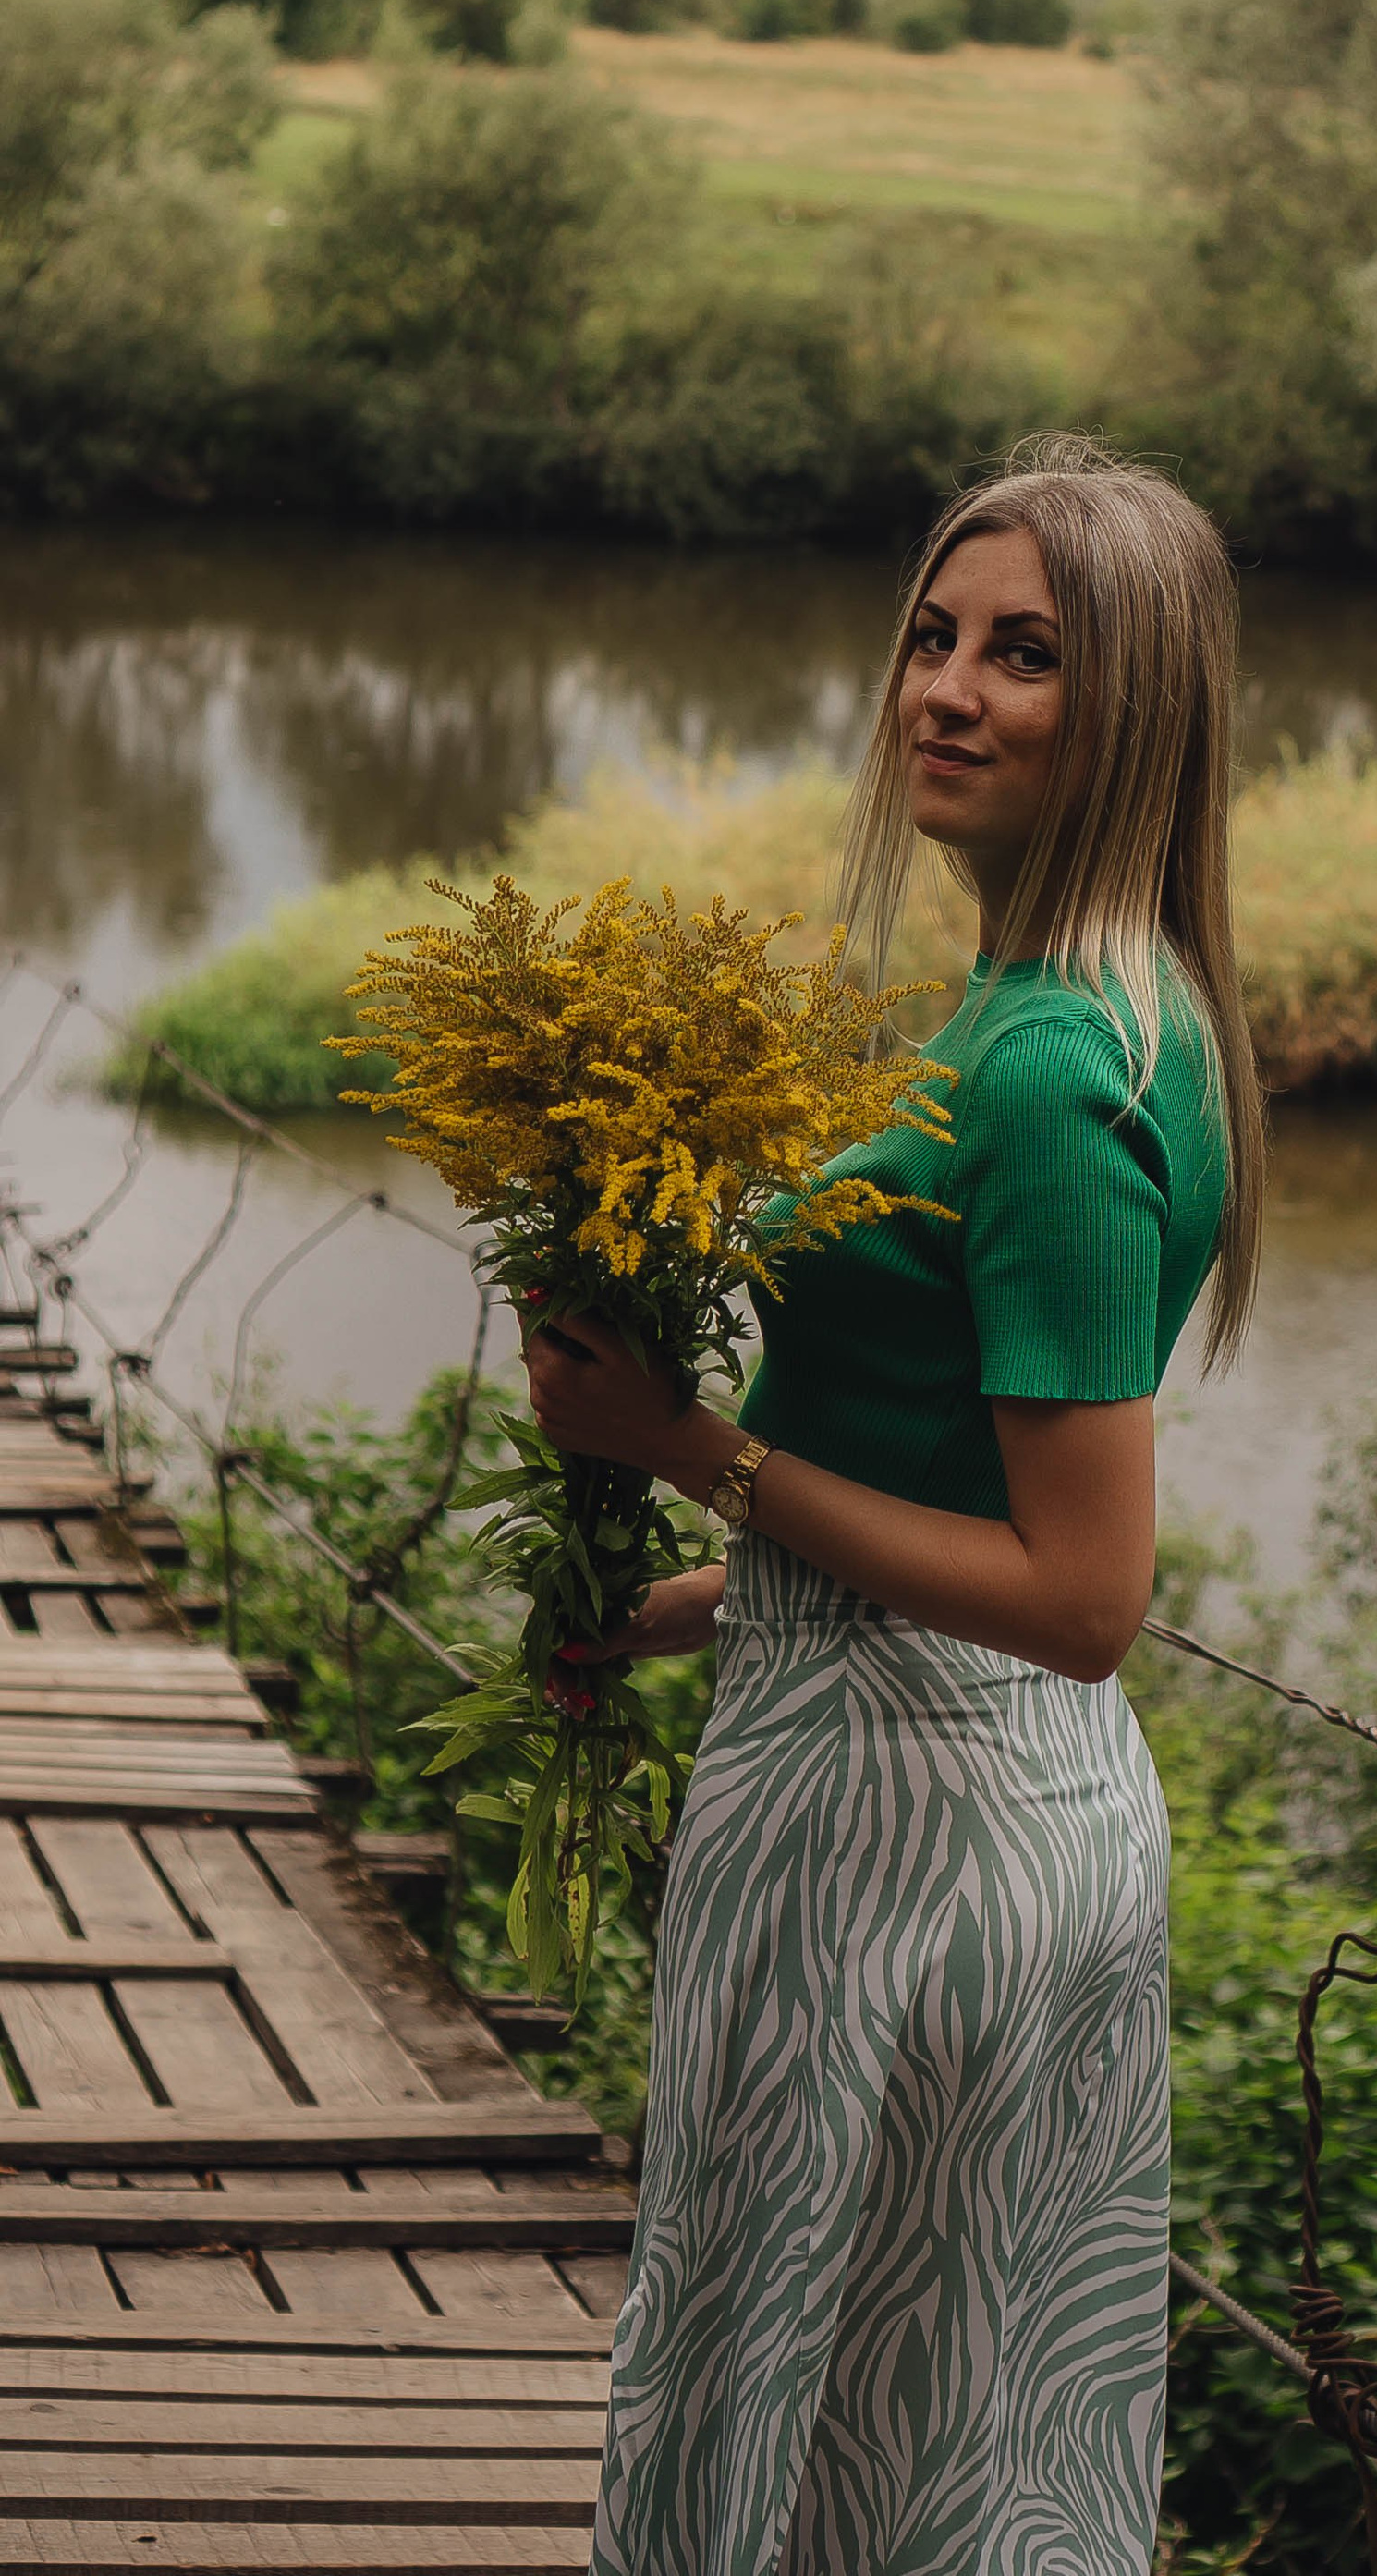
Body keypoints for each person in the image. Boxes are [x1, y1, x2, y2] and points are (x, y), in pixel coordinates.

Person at [519, 437, 1265, 2576]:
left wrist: (686, 1445)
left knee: (801, 2418)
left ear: (1137, 710)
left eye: (1024, 655)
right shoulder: (1088, 1011)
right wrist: (685, 1599)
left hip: (914, 1851)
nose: (944, 689)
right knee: (914, 2435)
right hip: (936, 1790)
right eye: (933, 636)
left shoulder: (1046, 1070)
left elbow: (1080, 1597)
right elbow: (936, 1472)